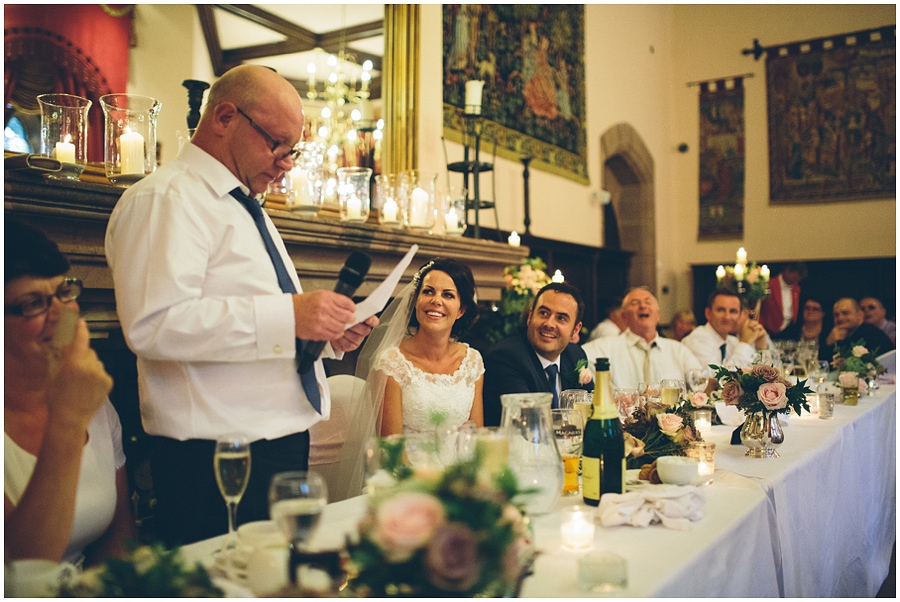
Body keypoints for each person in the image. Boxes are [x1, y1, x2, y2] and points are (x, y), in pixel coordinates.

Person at [105, 65, 377, 546]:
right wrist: (291, 316)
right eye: (277, 143)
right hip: (215, 458)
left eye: (293, 150)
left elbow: (260, 323)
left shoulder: (243, 204)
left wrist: (323, 334)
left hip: (277, 442)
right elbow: (154, 324)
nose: (287, 162)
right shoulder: (166, 198)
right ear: (225, 117)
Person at [5, 219, 134, 566]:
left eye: (64, 292)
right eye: (33, 303)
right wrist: (68, 419)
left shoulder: (92, 399)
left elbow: (118, 537)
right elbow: (23, 568)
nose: (61, 315)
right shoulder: (77, 404)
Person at [368, 258, 484, 436]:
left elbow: (478, 438)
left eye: (448, 295)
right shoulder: (391, 364)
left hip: (461, 463)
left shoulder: (472, 362)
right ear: (416, 301)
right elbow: (391, 450)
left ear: (461, 310)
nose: (436, 300)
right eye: (428, 292)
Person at [482, 282, 594, 427]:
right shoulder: (505, 357)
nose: (549, 324)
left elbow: (593, 410)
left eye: (561, 318)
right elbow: (529, 424)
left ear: (576, 330)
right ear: (530, 317)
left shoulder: (575, 355)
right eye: (543, 313)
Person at [582, 287, 702, 390]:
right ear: (625, 316)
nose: (643, 306)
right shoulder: (604, 347)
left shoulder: (678, 351)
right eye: (635, 303)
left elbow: (701, 381)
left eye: (648, 302)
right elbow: (577, 362)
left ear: (658, 315)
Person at [681, 289, 768, 369]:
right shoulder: (696, 340)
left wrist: (761, 347)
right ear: (708, 313)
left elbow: (757, 375)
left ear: (740, 315)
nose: (727, 317)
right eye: (721, 310)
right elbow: (718, 378)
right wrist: (745, 343)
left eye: (733, 311)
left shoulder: (732, 341)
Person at [824, 298, 895, 358]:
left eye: (845, 313)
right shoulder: (837, 337)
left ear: (860, 315)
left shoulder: (871, 334)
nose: (840, 318)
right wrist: (829, 343)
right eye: (836, 315)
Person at [758, 263, 807, 336]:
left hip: (788, 330)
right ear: (787, 271)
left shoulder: (796, 288)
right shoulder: (769, 285)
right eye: (795, 278)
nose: (796, 282)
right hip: (768, 330)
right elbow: (758, 309)